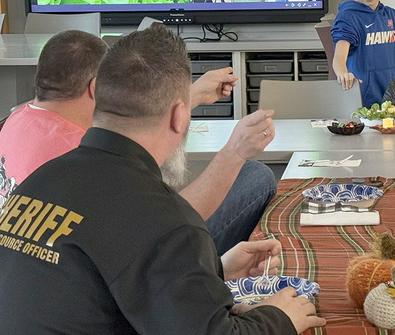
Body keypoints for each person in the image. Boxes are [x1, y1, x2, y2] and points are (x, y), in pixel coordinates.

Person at [0, 24, 325, 335]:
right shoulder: (158, 213)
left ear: (99, 98)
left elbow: (100, 279)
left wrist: (211, 269)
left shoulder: (46, 178)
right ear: (180, 116)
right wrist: (280, 318)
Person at [0, 29, 277, 255]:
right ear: (97, 87)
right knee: (256, 176)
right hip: (133, 264)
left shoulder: (15, 120)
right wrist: (235, 152)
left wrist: (188, 96)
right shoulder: (83, 153)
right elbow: (167, 223)